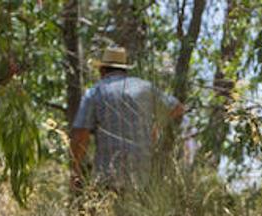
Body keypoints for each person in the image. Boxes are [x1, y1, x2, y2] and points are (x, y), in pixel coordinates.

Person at [69, 46, 184, 191]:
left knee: (106, 212)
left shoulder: (95, 92)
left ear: (102, 70)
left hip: (108, 178)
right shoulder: (146, 87)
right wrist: (157, 126)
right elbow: (177, 108)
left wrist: (75, 170)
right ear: (125, 70)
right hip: (143, 178)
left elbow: (81, 135)